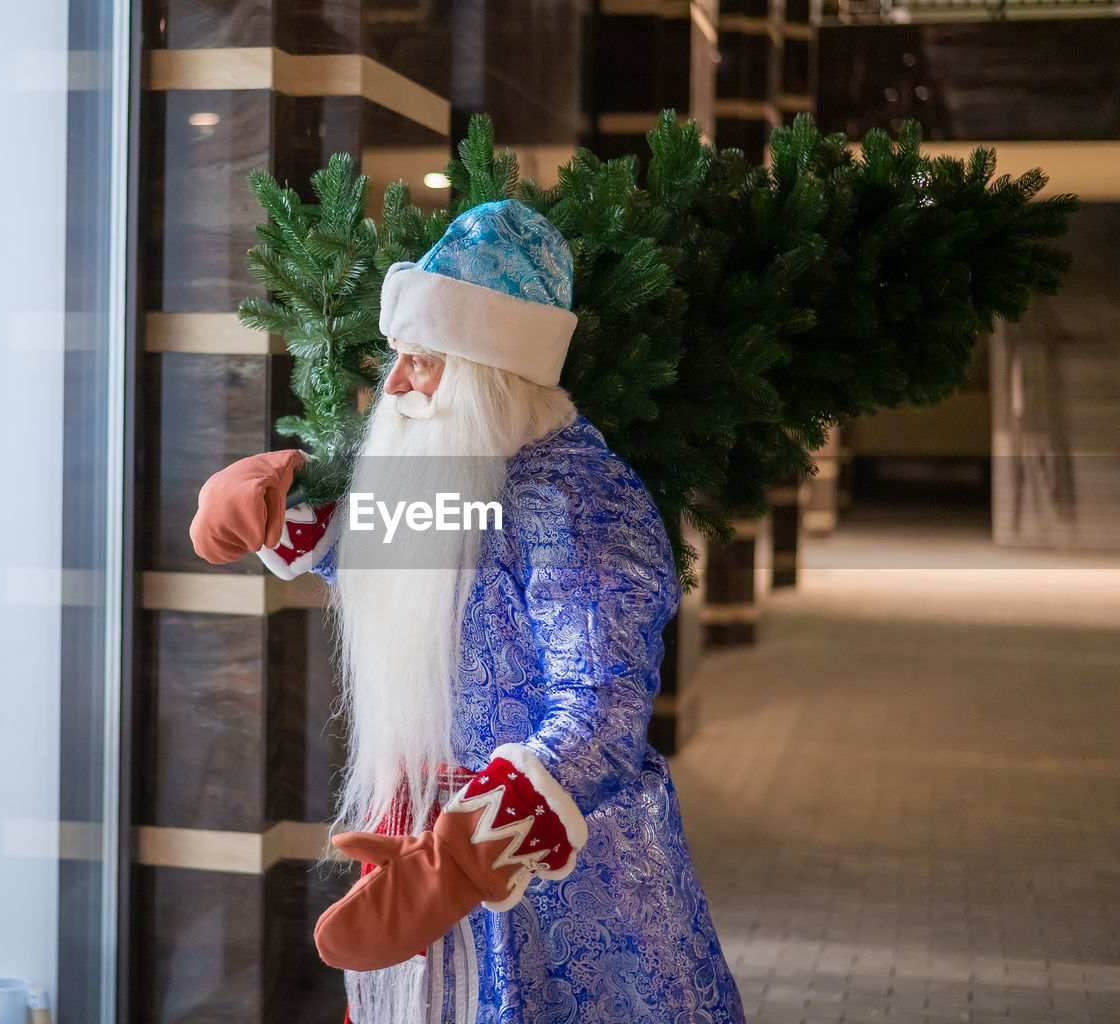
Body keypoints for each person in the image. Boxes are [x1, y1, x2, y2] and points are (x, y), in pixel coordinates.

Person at [190, 199, 746, 1024]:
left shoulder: (577, 500)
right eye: (398, 356)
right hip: (416, 852)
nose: (394, 384)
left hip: (552, 891)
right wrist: (276, 504)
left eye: (424, 361)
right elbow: (399, 574)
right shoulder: (464, 471)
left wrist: (461, 860)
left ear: (490, 370)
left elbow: (602, 714)